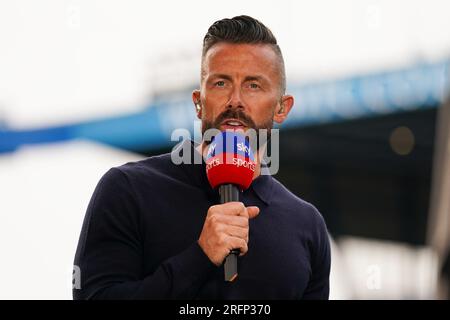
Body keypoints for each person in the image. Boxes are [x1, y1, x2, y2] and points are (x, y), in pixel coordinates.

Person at [73, 15, 331, 300]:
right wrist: (199, 257)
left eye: (253, 85)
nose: (235, 100)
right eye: (221, 83)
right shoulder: (128, 189)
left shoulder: (306, 225)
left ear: (282, 108)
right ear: (198, 102)